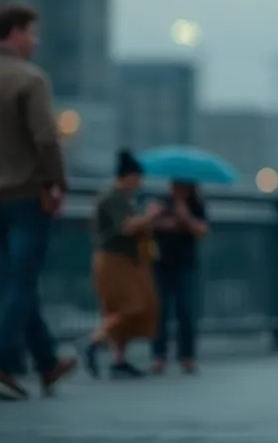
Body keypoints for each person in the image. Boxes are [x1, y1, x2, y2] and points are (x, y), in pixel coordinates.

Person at [0, 2, 77, 401]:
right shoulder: (30, 79)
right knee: (21, 281)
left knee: (17, 281)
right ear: (16, 33)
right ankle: (2, 364)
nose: (36, 42)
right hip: (25, 196)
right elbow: (45, 137)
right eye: (33, 33)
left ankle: (47, 363)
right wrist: (57, 183)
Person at [84, 149, 162, 378]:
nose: (139, 184)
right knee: (129, 306)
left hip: (127, 260)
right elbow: (127, 227)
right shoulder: (113, 197)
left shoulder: (124, 198)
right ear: (128, 176)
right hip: (113, 260)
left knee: (132, 307)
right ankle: (93, 340)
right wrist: (150, 216)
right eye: (137, 179)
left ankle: (119, 360)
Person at [150, 180, 208, 374]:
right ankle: (159, 356)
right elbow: (151, 223)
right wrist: (168, 222)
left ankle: (187, 356)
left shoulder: (196, 204)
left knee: (186, 311)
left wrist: (185, 218)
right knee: (160, 312)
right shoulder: (161, 202)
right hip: (161, 263)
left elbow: (202, 230)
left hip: (186, 265)